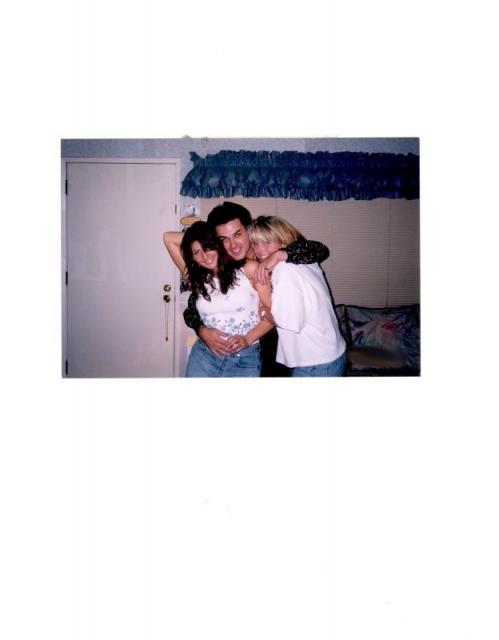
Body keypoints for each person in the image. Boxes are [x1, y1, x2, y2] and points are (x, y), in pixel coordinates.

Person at [183, 202, 330, 376]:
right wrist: (202, 331)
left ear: (249, 229)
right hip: (266, 346)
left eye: (237, 234)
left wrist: (280, 255)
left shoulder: (269, 251)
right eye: (223, 239)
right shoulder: (223, 267)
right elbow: (191, 310)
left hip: (289, 344)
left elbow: (320, 250)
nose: (233, 245)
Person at [163, 221, 273, 377]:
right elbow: (168, 238)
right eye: (196, 252)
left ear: (217, 244)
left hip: (244, 360)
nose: (204, 256)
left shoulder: (250, 269)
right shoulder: (197, 277)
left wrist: (247, 339)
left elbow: (273, 315)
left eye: (208, 247)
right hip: (204, 357)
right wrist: (203, 331)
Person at [248, 216, 347, 377]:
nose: (260, 250)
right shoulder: (303, 260)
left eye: (267, 242)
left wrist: (265, 310)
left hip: (315, 363)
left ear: (282, 241)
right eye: (255, 243)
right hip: (328, 354)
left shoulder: (285, 270)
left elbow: (288, 321)